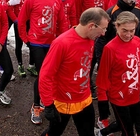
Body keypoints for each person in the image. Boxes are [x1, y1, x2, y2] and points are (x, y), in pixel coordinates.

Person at [39, 7, 110, 136]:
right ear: (91, 26)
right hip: (63, 101)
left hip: (84, 98)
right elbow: (45, 76)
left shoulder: (90, 39)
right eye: (103, 28)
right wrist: (48, 105)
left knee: (88, 133)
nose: (104, 33)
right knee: (54, 132)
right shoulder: (62, 43)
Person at [18, 0, 68, 125]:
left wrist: (64, 40)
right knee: (42, 76)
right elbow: (21, 21)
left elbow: (61, 21)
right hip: (37, 43)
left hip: (52, 43)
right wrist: (26, 39)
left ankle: (49, 101)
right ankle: (36, 106)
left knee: (52, 75)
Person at [96, 11, 140, 136]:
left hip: (133, 93)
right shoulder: (110, 48)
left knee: (137, 126)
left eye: (132, 30)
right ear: (117, 26)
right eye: (125, 30)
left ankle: (102, 133)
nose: (128, 34)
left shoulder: (137, 41)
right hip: (118, 97)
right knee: (128, 131)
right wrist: (102, 101)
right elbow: (103, 77)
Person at [93, 0, 140, 101]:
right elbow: (101, 40)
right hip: (113, 60)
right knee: (111, 92)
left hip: (129, 61)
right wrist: (101, 61)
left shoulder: (138, 12)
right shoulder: (111, 12)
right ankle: (104, 115)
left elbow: (138, 35)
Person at [7, 0, 38, 77]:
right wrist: (15, 20)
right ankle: (20, 65)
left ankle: (31, 65)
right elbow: (9, 9)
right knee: (19, 44)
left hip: (31, 20)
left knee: (33, 42)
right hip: (20, 22)